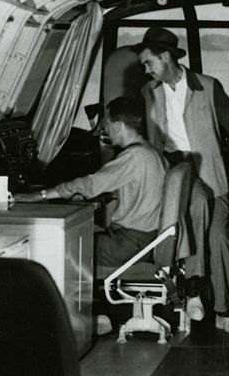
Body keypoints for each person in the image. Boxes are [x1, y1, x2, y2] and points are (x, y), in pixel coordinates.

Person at [132, 26, 229, 335]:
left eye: (149, 63)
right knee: (197, 205)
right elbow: (147, 136)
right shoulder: (149, 92)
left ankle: (222, 312)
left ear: (166, 57)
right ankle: (195, 290)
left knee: (218, 240)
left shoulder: (208, 87)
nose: (146, 70)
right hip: (174, 171)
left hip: (209, 174)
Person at [16, 96, 167, 277]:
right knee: (71, 236)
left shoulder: (134, 156)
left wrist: (38, 196)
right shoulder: (151, 152)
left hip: (128, 245)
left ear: (119, 126)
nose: (105, 130)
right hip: (142, 240)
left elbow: (89, 184)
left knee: (55, 245)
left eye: (107, 125)